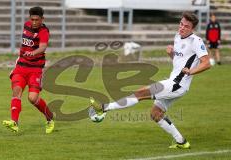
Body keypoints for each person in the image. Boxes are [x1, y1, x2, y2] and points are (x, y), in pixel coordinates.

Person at [89, 11, 211, 149]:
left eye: (186, 26)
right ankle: (181, 142)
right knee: (156, 114)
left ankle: (104, 108)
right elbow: (180, 64)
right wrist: (171, 55)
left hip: (177, 85)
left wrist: (191, 71)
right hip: (174, 83)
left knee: (140, 93)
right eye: (181, 24)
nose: (182, 27)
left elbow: (206, 63)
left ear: (192, 28)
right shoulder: (177, 36)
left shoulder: (196, 41)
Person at [3, 6, 54, 134]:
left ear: (42, 19)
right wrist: (16, 64)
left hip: (35, 69)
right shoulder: (26, 26)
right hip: (21, 66)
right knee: (16, 91)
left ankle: (49, 118)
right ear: (29, 18)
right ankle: (14, 122)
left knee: (32, 98)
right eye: (32, 19)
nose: (34, 22)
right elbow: (24, 46)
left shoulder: (43, 31)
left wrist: (33, 53)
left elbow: (42, 47)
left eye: (37, 19)